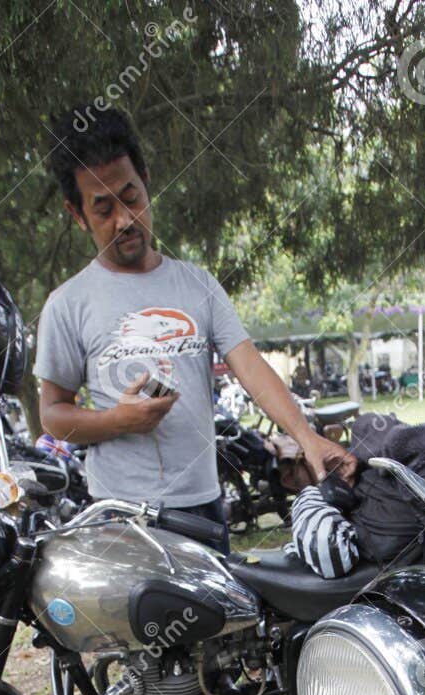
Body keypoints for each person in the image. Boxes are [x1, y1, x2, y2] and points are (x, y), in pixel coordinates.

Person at [35, 104, 351, 552]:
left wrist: (307, 438)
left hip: (201, 510)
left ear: (146, 181)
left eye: (131, 197)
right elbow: (53, 413)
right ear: (77, 214)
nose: (124, 220)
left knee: (221, 624)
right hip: (120, 519)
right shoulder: (67, 304)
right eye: (103, 209)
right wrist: (117, 421)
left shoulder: (197, 284)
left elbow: (250, 366)